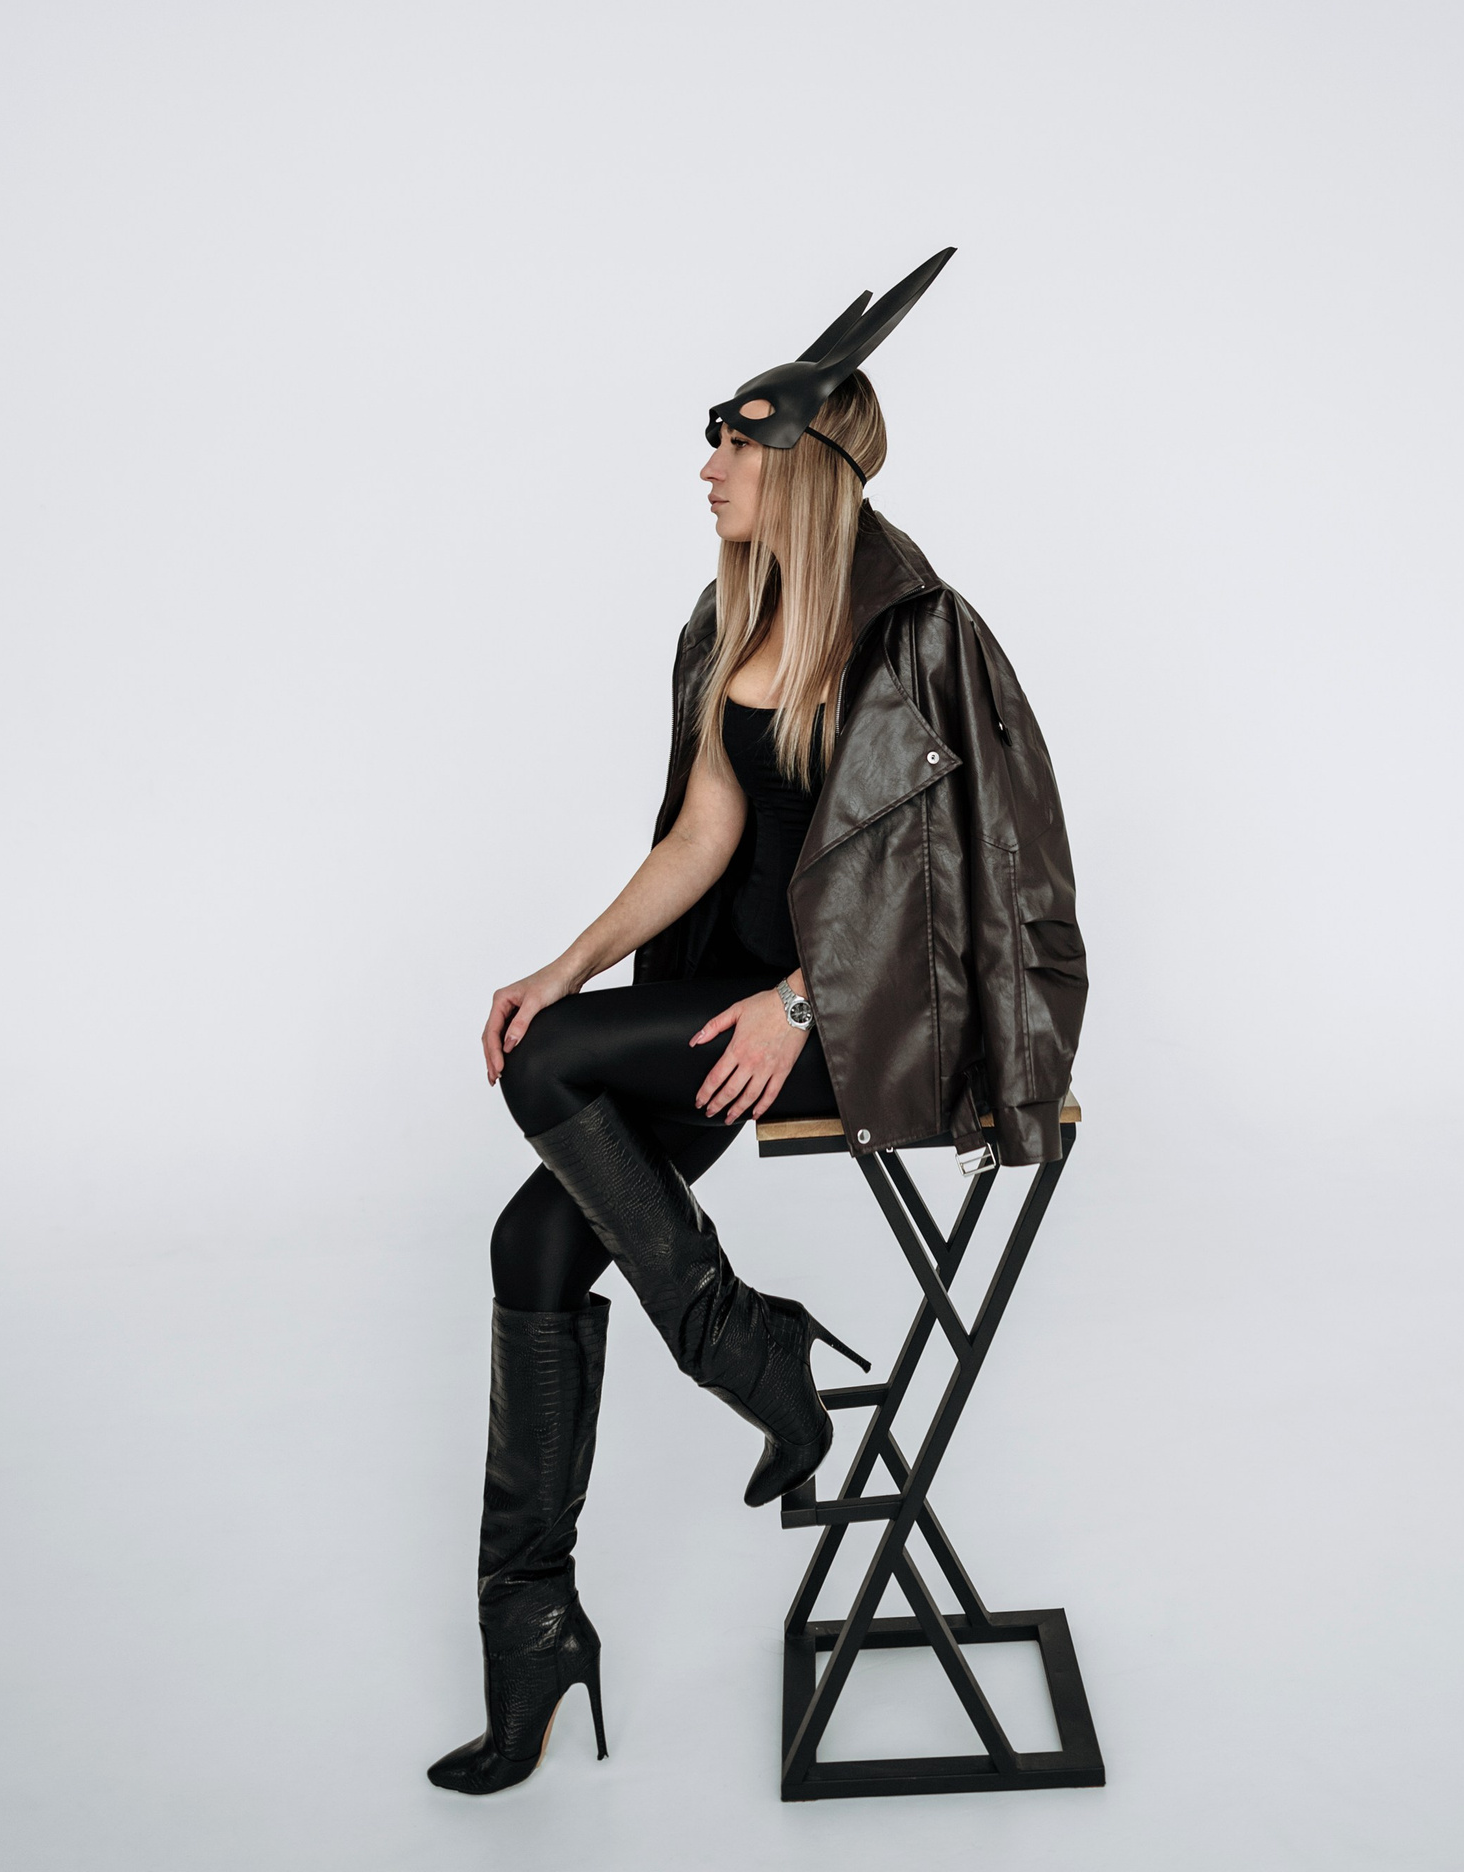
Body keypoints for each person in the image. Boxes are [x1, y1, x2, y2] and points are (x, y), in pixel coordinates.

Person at [427, 250, 1088, 1795]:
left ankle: (748, 1350)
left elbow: (966, 872)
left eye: (733, 441)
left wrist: (804, 1000)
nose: (709, 466)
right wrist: (568, 962)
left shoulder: (914, 635)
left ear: (800, 463)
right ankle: (535, 1632)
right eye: (712, 439)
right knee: (530, 1239)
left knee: (549, 1073)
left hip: (868, 1020)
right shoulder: (735, 621)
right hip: (726, 1006)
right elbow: (704, 836)